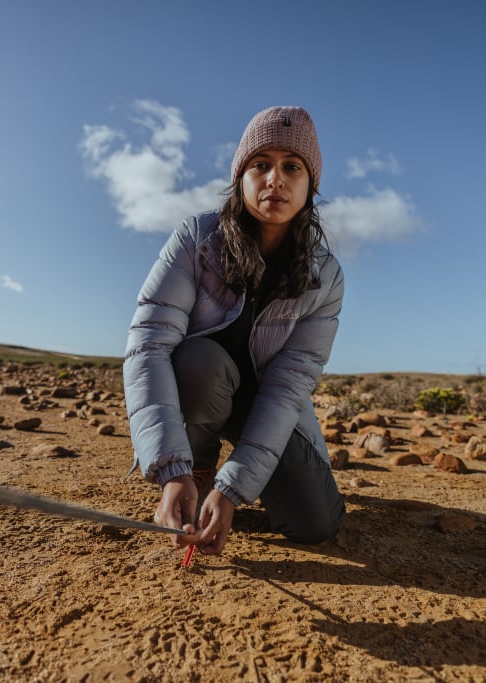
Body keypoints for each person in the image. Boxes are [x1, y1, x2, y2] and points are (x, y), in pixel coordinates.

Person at [123, 106, 345, 557]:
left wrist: (236, 487)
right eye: (260, 164)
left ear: (310, 183)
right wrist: (172, 469)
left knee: (315, 523)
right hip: (201, 393)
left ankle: (225, 484)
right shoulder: (195, 239)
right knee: (200, 362)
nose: (275, 180)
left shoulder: (326, 277)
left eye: (292, 167)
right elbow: (149, 346)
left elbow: (287, 390)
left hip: (265, 408)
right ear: (240, 176)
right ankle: (197, 469)